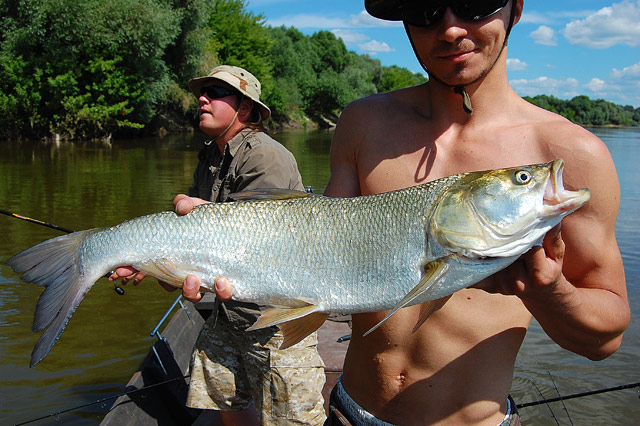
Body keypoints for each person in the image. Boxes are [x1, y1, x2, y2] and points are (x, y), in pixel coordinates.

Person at [177, 2, 629, 425]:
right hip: (349, 411)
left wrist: (549, 292)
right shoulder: (362, 123)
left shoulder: (570, 156)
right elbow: (319, 249)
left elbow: (605, 340)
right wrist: (211, 244)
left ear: (516, 6)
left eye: (474, 1)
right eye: (425, 7)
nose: (451, 27)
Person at [111, 65, 326, 426]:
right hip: (229, 311)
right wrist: (153, 265)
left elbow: (259, 242)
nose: (202, 98)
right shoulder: (211, 157)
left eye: (215, 91)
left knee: (292, 416)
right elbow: (193, 241)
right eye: (203, 90)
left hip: (275, 315)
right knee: (220, 390)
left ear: (244, 109)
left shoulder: (264, 156)